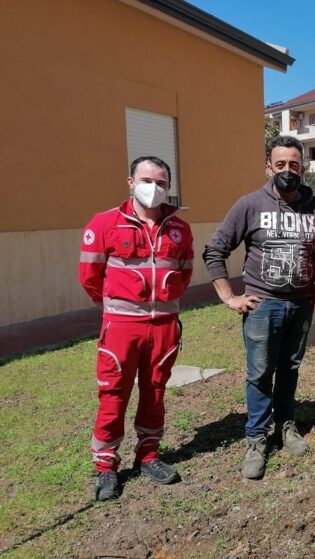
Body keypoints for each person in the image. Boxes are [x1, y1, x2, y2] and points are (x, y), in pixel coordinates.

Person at [203, 136, 315, 480]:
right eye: (281, 164)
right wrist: (229, 296)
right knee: (259, 373)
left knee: (290, 368)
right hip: (262, 305)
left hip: (300, 305)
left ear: (303, 167)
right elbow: (215, 250)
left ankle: (285, 426)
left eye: (294, 165)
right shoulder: (250, 204)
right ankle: (256, 438)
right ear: (268, 167)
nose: (288, 171)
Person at [79, 156, 194, 501]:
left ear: (169, 187)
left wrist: (162, 305)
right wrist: (119, 307)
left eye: (161, 183)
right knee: (113, 395)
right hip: (121, 328)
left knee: (155, 390)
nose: (153, 188)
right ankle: (105, 468)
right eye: (147, 180)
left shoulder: (180, 228)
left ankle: (148, 456)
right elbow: (90, 277)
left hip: (163, 326)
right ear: (130, 182)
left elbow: (184, 272)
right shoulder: (104, 224)